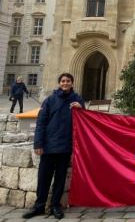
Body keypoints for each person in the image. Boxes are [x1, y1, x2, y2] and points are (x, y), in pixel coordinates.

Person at [23, 73, 84, 219]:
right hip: (49, 146)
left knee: (60, 179)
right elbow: (41, 123)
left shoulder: (77, 99)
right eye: (63, 81)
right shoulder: (49, 100)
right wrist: (38, 143)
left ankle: (55, 205)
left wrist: (81, 109)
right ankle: (39, 206)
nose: (65, 83)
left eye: (68, 81)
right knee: (44, 177)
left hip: (65, 146)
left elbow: (83, 122)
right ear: (59, 83)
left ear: (72, 83)